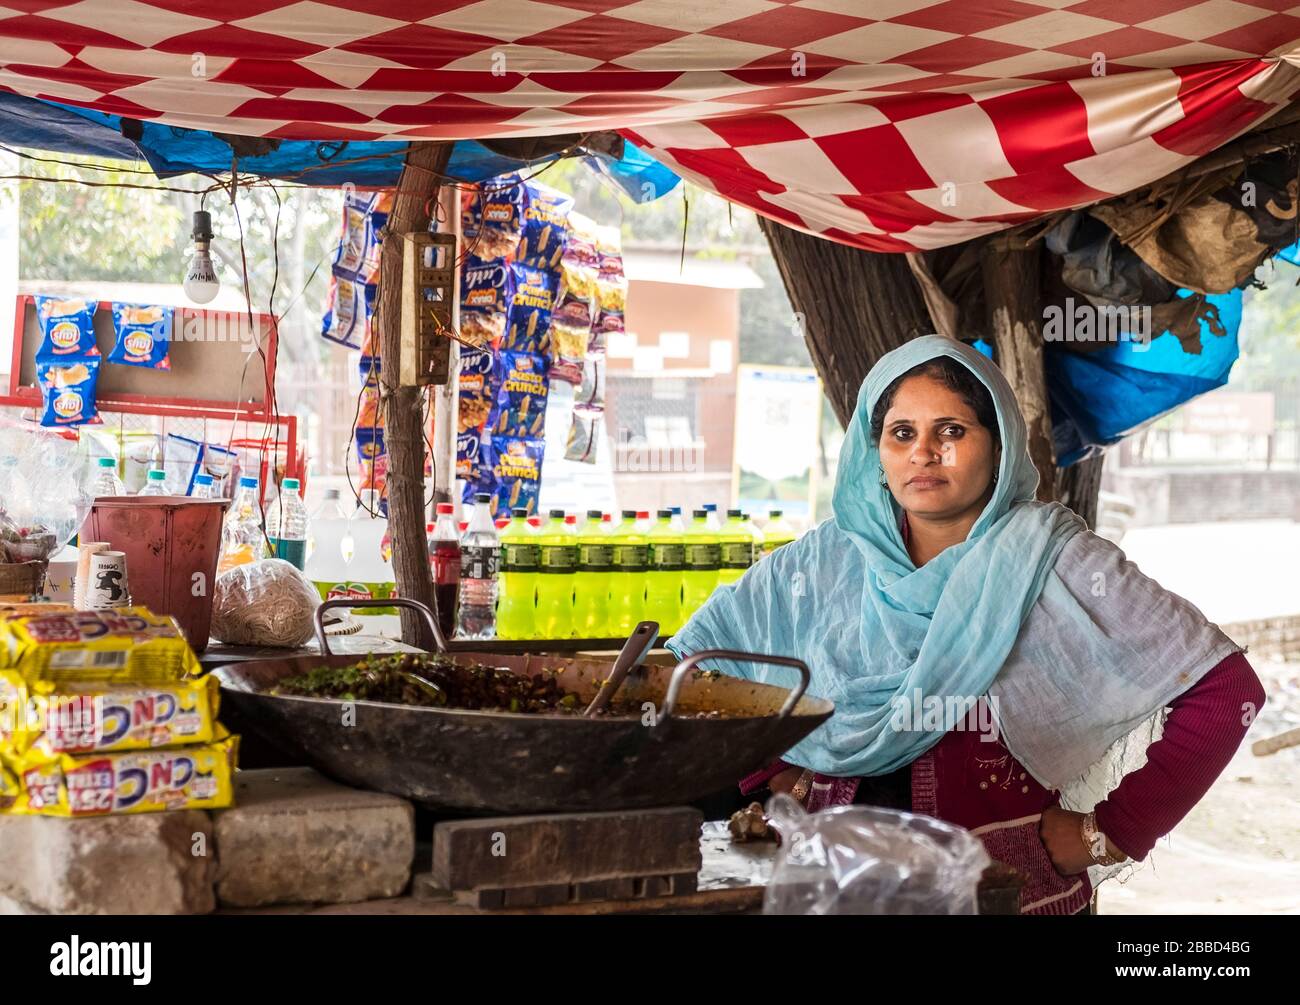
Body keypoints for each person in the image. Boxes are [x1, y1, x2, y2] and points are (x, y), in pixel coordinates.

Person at [668, 335, 1265, 915]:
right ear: (874, 452)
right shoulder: (827, 558)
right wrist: (776, 773)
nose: (924, 453)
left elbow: (1226, 691)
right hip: (834, 886)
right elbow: (708, 667)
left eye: (951, 431)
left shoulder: (1053, 557)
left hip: (1002, 892)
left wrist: (1109, 832)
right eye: (902, 434)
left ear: (999, 445)